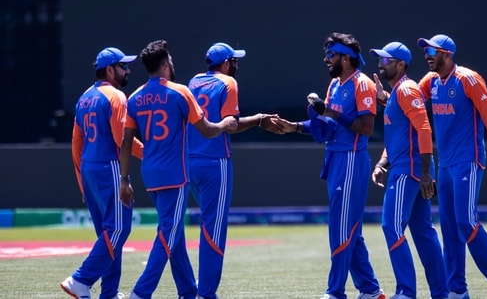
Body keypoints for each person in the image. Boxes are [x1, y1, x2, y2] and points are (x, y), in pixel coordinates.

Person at [118, 40, 237, 299]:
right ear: (164, 64)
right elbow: (205, 129)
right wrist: (225, 124)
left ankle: (187, 290)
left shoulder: (135, 97)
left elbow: (126, 142)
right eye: (169, 59)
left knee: (173, 231)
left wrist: (124, 179)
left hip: (148, 174)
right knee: (168, 233)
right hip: (175, 174)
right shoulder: (180, 92)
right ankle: (141, 292)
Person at [275, 32, 385, 299]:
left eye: (331, 55)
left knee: (340, 226)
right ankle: (370, 290)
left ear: (347, 59)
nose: (326, 59)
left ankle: (335, 292)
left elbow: (367, 128)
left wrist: (329, 111)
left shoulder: (362, 84)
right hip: (335, 158)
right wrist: (295, 127)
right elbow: (326, 127)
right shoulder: (335, 85)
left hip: (350, 160)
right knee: (350, 229)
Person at [416, 34, 487, 299]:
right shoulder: (431, 81)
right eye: (425, 50)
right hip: (446, 163)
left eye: (432, 51)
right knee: (449, 227)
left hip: (468, 160)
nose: (427, 55)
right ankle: (457, 290)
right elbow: (409, 100)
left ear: (447, 54)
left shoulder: (468, 79)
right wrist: (384, 97)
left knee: (465, 220)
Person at [186, 42, 283, 299]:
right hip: (215, 160)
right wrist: (260, 119)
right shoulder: (228, 83)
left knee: (201, 224)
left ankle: (194, 284)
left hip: (189, 160)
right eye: (235, 61)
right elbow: (230, 125)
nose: (237, 65)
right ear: (227, 63)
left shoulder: (193, 81)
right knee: (214, 227)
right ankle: (205, 293)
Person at [61, 47, 144, 299]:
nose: (128, 70)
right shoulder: (116, 96)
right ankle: (80, 279)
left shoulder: (84, 98)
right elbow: (122, 139)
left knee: (108, 234)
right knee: (118, 230)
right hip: (109, 167)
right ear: (110, 69)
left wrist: (82, 183)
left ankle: (108, 293)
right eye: (123, 66)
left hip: (89, 168)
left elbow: (76, 144)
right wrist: (151, 153)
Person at [368, 42, 448, 299]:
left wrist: (426, 173)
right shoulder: (397, 95)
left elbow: (424, 130)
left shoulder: (407, 88)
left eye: (386, 60)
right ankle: (441, 293)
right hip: (405, 167)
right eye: (380, 59)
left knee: (391, 226)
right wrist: (382, 163)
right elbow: (399, 136)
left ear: (400, 64)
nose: (380, 63)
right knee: (424, 233)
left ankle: (406, 292)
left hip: (409, 170)